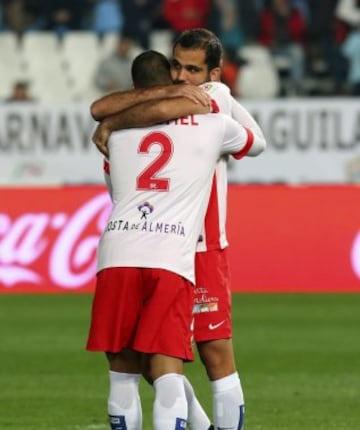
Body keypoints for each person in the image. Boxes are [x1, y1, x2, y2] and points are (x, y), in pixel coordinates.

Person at [90, 28, 266, 430]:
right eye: (177, 66)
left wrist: (223, 98)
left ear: (214, 74)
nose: (183, 77)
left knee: (214, 354)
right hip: (167, 248)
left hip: (201, 248)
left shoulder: (212, 108)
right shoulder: (199, 114)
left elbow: (258, 144)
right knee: (157, 361)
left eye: (193, 70)